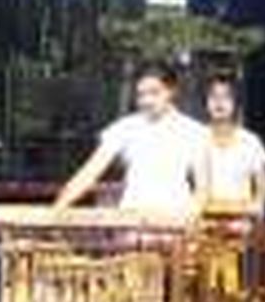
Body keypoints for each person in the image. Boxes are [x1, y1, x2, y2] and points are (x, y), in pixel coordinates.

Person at [54, 62, 206, 214]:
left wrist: (188, 223)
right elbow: (89, 173)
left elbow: (202, 189)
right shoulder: (124, 128)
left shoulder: (195, 132)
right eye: (141, 94)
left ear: (171, 91)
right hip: (130, 222)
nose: (147, 101)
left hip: (175, 223)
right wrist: (55, 211)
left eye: (154, 93)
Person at [196, 73, 265, 213]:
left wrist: (257, 210)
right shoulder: (196, 138)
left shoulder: (250, 141)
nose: (219, 102)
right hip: (204, 217)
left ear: (236, 102)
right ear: (205, 102)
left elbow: (262, 189)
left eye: (226, 97)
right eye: (213, 96)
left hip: (241, 217)